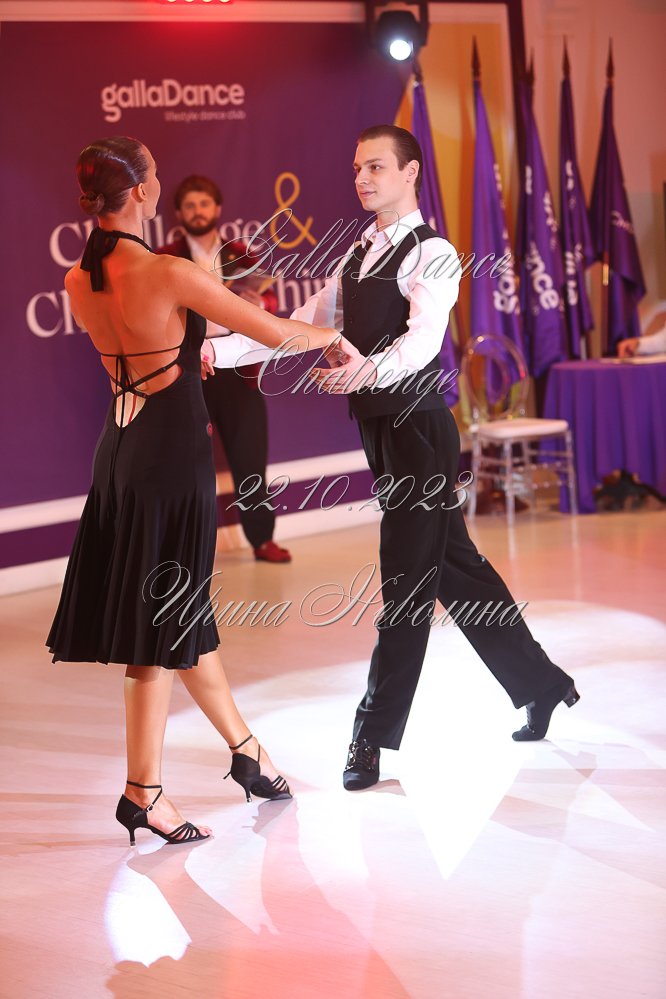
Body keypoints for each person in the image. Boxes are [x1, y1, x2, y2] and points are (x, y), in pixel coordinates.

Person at [45, 137, 343, 843]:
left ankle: (248, 754)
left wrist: (188, 351)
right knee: (162, 625)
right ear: (143, 191)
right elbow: (272, 330)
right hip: (170, 459)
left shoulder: (77, 278)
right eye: (153, 172)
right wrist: (333, 334)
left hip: (119, 451)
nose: (159, 179)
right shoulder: (167, 270)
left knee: (179, 614)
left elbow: (150, 353)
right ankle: (143, 791)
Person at [293, 125, 580, 789]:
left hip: (419, 432)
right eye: (357, 168)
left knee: (406, 584)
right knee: (457, 568)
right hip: (382, 430)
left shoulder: (435, 252)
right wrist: (217, 348)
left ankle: (371, 734)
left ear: (410, 172)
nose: (362, 179)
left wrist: (366, 371)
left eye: (375, 167)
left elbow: (423, 342)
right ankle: (543, 683)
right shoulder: (357, 253)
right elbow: (302, 322)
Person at [156, 176, 291, 564]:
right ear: (179, 213)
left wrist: (257, 302)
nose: (198, 211)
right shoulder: (166, 258)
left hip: (238, 368)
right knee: (184, 461)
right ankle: (182, 548)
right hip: (188, 367)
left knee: (251, 458)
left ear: (216, 209)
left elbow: (269, 300)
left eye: (204, 204)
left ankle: (262, 539)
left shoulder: (240, 253)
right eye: (190, 205)